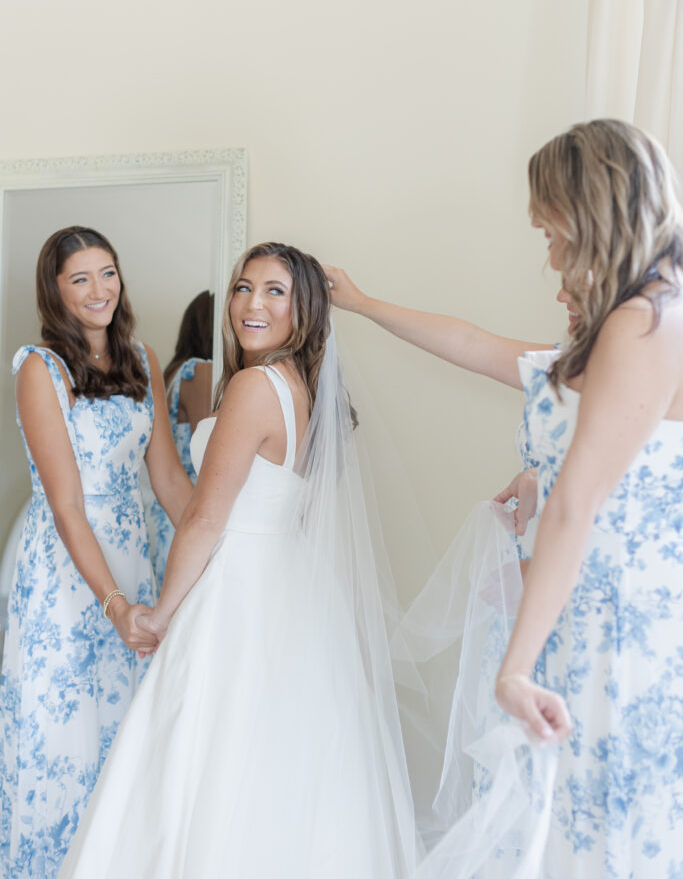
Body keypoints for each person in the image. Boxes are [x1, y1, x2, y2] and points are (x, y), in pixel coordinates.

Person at [331, 119, 683, 876]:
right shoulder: (616, 331)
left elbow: (577, 503)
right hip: (584, 615)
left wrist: (513, 667)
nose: (548, 252)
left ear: (588, 216)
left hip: (619, 626)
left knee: (610, 833)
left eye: (549, 231)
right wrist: (360, 303)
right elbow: (474, 345)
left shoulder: (646, 321)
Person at [59, 242, 417, 879]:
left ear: (302, 309)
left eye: (274, 291)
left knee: (212, 757)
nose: (252, 303)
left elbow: (204, 516)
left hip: (238, 584)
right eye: (243, 287)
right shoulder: (298, 387)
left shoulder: (254, 386)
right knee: (273, 761)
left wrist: (163, 613)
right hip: (287, 582)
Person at [0, 226, 193, 879]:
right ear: (55, 291)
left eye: (106, 272)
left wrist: (221, 548)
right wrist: (114, 606)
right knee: (63, 737)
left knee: (122, 732)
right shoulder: (39, 367)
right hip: (64, 572)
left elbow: (167, 481)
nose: (98, 290)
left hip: (133, 555)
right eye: (80, 278)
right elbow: (66, 507)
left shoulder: (140, 359)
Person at [146, 289, 214, 590]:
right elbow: (212, 452)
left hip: (162, 514)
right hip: (187, 509)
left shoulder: (174, 374)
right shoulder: (201, 372)